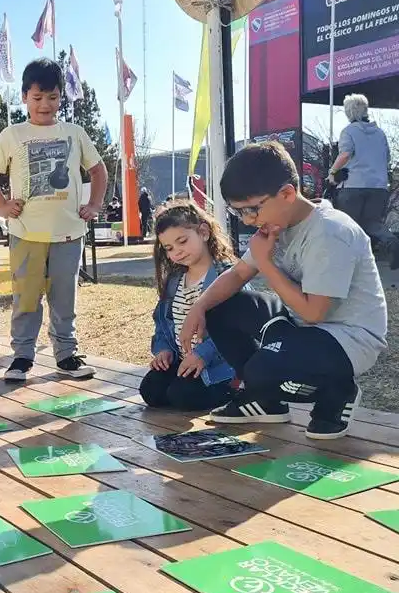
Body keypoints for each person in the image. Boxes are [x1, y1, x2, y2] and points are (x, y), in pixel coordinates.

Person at [179, 141, 387, 440]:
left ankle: (338, 391)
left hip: (347, 338)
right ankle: (264, 400)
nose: (249, 221)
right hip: (302, 328)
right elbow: (238, 274)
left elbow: (314, 313)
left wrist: (265, 262)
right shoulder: (276, 224)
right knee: (219, 307)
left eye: (252, 209)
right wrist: (198, 307)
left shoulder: (330, 232)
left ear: (287, 194)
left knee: (263, 371)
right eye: (239, 213)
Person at [0, 58, 108, 382]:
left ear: (61, 98)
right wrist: (2, 205)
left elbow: (98, 170)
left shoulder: (75, 133)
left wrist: (93, 205)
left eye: (52, 97)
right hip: (26, 233)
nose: (44, 105)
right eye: (37, 98)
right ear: (24, 97)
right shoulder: (12, 134)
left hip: (69, 233)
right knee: (26, 297)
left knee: (64, 296)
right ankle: (22, 357)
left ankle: (66, 355)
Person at [141, 201, 237, 411]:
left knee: (183, 396)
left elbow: (233, 332)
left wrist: (202, 354)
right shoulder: (175, 280)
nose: (177, 252)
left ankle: (234, 389)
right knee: (150, 391)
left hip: (217, 364)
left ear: (203, 232)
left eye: (182, 241)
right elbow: (163, 323)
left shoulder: (228, 276)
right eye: (169, 248)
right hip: (182, 360)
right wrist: (164, 350)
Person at [329, 93, 399, 269]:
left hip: (353, 186)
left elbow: (345, 154)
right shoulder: (380, 134)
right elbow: (387, 158)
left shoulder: (349, 131)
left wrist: (333, 172)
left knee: (348, 224)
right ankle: (391, 241)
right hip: (379, 187)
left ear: (349, 112)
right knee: (372, 222)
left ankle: (349, 263)